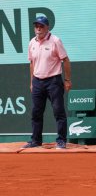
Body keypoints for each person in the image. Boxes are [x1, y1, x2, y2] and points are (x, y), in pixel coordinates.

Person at [24, 16, 72, 149]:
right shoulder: (31, 42)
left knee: (58, 112)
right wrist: (32, 82)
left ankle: (61, 140)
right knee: (36, 112)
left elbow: (66, 60)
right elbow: (31, 63)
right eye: (36, 26)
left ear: (47, 28)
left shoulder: (55, 41)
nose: (38, 29)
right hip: (37, 82)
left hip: (54, 81)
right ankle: (36, 140)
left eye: (41, 26)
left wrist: (67, 79)